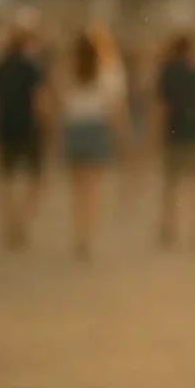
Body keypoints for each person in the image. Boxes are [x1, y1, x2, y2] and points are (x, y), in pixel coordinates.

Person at [59, 32, 127, 260]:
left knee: (77, 188)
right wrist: (119, 136)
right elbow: (114, 109)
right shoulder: (107, 74)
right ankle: (87, 237)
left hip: (74, 129)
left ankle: (78, 234)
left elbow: (61, 103)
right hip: (96, 129)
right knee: (93, 188)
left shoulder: (67, 74)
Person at [0, 13, 50, 249]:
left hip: (5, 125)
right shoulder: (32, 67)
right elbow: (39, 101)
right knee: (36, 178)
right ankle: (21, 221)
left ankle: (9, 222)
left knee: (6, 177)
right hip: (29, 127)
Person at [155, 33, 195, 249]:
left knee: (171, 185)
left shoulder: (168, 73)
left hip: (173, 134)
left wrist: (154, 137)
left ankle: (169, 228)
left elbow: (161, 107)